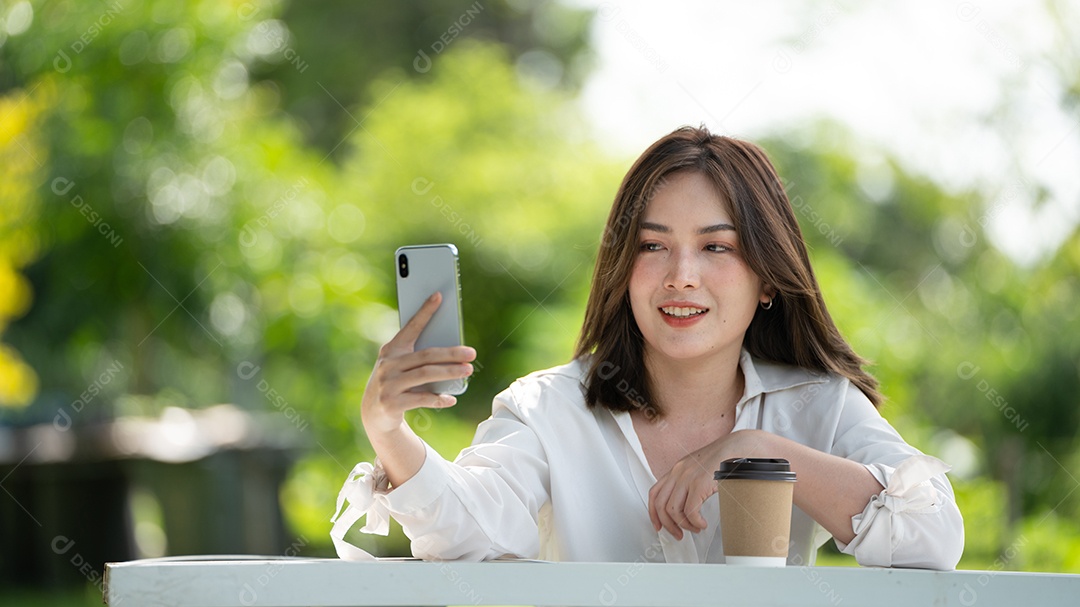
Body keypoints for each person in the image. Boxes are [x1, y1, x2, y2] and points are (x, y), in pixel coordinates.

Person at [331, 126, 965, 569]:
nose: (680, 274)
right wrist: (388, 430)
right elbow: (467, 529)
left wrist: (761, 453)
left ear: (767, 275)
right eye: (652, 244)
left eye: (716, 247)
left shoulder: (818, 406)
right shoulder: (550, 409)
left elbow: (932, 535)